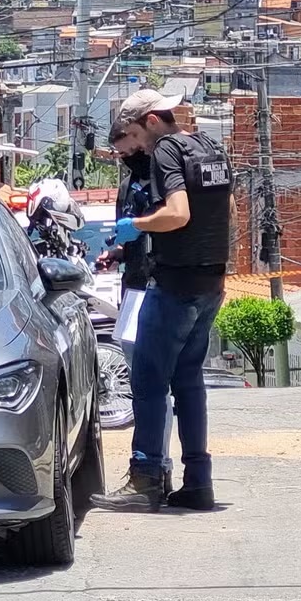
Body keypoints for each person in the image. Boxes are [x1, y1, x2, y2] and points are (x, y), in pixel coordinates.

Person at [90, 90, 235, 513]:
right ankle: (198, 483)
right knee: (189, 384)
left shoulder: (166, 151)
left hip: (173, 284)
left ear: (152, 121)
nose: (138, 147)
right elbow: (227, 208)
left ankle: (146, 479)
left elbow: (178, 213)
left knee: (149, 383)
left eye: (136, 135)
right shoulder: (208, 146)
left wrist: (137, 225)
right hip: (210, 282)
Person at [97, 119, 175, 496]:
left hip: (159, 287)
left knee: (152, 386)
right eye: (122, 154)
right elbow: (128, 235)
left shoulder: (166, 179)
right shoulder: (128, 185)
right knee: (142, 383)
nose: (128, 157)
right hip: (133, 288)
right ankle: (153, 469)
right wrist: (115, 252)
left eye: (131, 149)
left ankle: (153, 469)